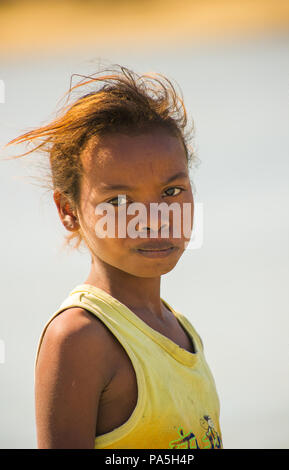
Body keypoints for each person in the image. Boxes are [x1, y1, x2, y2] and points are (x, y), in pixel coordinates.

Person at [6, 65, 223, 449]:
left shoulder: (180, 330)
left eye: (172, 192)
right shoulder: (79, 339)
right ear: (68, 211)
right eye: (119, 201)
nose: (154, 221)